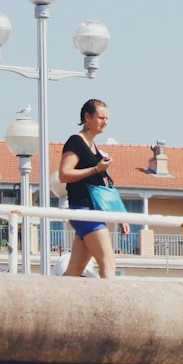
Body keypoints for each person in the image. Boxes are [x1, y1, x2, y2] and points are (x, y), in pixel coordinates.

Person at [57, 98, 129, 278]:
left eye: (107, 118)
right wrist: (95, 169)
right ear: (87, 117)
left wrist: (120, 215)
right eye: (101, 117)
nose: (105, 121)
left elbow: (104, 185)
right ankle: (113, 305)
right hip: (84, 210)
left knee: (74, 271)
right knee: (108, 262)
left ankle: (53, 302)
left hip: (91, 211)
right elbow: (64, 174)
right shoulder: (76, 142)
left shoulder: (94, 147)